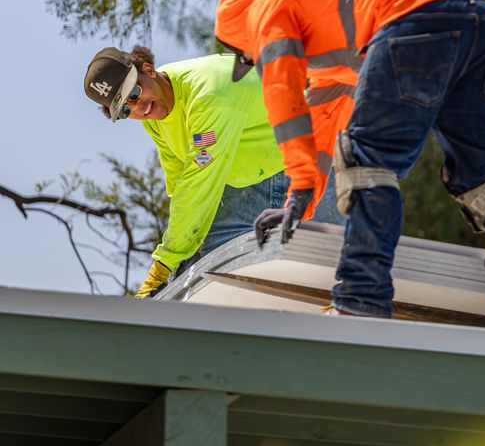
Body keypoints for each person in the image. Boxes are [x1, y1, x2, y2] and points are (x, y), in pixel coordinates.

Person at [213, 0, 485, 331]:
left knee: (365, 165)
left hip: (414, 15)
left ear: (239, 37)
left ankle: (361, 302)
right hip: (478, 16)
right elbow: (322, 129)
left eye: (245, 55)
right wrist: (301, 197)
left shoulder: (263, 7)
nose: (250, 59)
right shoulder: (320, 36)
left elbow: (282, 95)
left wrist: (301, 183)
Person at [83, 45, 340, 298]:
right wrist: (186, 244)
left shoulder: (208, 94)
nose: (138, 107)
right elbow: (179, 180)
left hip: (310, 164)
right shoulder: (156, 114)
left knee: (342, 258)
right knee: (207, 276)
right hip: (251, 184)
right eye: (126, 109)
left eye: (134, 93)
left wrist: (165, 262)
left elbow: (199, 181)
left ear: (148, 70)